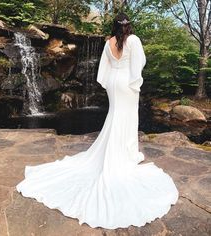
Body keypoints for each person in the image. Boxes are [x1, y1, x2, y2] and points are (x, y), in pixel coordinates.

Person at [16, 12, 179, 229]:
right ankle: (125, 153)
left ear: (114, 26)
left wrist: (112, 79)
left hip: (113, 83)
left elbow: (104, 68)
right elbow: (140, 62)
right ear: (128, 26)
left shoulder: (108, 42)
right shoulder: (133, 40)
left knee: (116, 115)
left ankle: (125, 151)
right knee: (127, 117)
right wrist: (133, 80)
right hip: (126, 83)